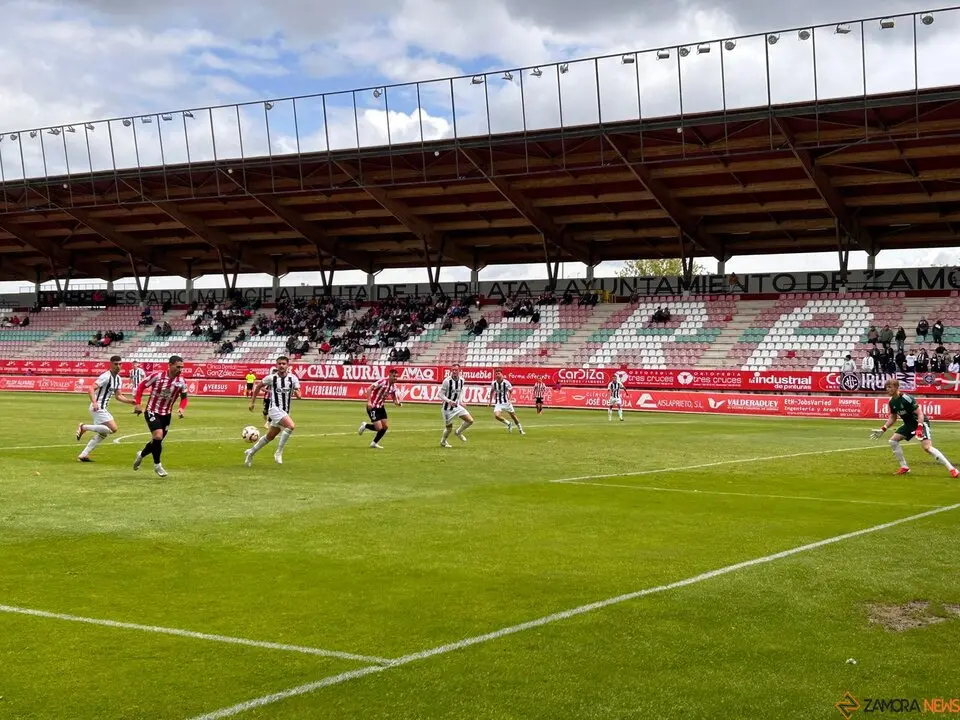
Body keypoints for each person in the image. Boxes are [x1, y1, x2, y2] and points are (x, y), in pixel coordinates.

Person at [870, 378, 959, 477]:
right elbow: (893, 417)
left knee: (927, 447)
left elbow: (920, 413)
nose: (887, 389)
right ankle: (904, 467)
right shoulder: (891, 402)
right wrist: (883, 429)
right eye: (886, 387)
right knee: (893, 441)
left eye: (889, 387)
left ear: (896, 387)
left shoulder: (907, 398)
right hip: (908, 424)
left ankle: (952, 469)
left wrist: (920, 428)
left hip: (920, 422)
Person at [133, 355, 189, 478]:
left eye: (182, 367)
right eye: (178, 367)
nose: (180, 369)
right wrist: (138, 403)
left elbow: (184, 398)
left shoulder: (181, 382)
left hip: (166, 414)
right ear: (169, 365)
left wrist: (181, 408)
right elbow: (141, 386)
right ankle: (157, 465)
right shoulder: (157, 376)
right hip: (152, 410)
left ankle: (141, 455)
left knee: (156, 441)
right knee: (158, 436)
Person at [75, 354, 135, 462]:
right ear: (111, 364)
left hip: (102, 408)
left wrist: (129, 401)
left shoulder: (118, 379)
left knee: (103, 434)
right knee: (113, 429)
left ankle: (83, 454)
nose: (118, 366)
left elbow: (118, 396)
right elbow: (91, 388)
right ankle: (83, 427)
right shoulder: (105, 376)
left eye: (120, 364)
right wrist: (94, 402)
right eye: (116, 364)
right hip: (98, 407)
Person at [245, 356, 299, 466]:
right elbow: (258, 386)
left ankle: (251, 452)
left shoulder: (293, 378)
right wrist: (252, 402)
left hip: (285, 411)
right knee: (291, 426)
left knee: (270, 437)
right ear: (276, 365)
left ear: (287, 365)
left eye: (284, 363)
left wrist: (298, 394)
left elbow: (299, 394)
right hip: (274, 409)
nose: (281, 365)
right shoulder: (271, 378)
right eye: (279, 363)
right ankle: (278, 452)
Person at [358, 368, 402, 449]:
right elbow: (369, 388)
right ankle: (365, 425)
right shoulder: (382, 381)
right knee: (379, 428)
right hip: (373, 407)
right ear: (389, 375)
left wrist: (397, 403)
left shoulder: (393, 386)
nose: (395, 378)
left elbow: (394, 398)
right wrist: (369, 402)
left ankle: (374, 443)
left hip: (381, 407)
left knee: (385, 427)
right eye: (394, 376)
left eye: (396, 376)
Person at [439, 363, 474, 448]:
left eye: (456, 370)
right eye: (453, 370)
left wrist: (461, 401)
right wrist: (449, 401)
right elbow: (440, 394)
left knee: (470, 420)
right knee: (449, 428)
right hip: (447, 408)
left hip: (457, 406)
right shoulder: (447, 381)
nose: (454, 371)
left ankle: (458, 432)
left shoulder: (462, 380)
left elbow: (461, 390)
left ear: (459, 371)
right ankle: (443, 442)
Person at [488, 368, 524, 434]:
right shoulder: (493, 383)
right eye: (496, 374)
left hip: (506, 402)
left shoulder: (506, 382)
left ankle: (520, 429)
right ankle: (509, 423)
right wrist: (490, 401)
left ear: (502, 374)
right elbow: (491, 392)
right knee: (497, 416)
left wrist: (510, 400)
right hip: (498, 402)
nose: (497, 375)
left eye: (499, 374)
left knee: (513, 416)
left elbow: (511, 391)